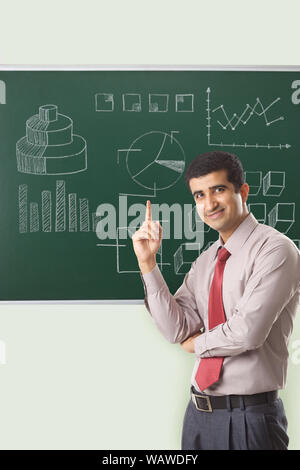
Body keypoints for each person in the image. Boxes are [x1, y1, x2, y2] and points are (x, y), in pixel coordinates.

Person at [132, 151, 300, 450]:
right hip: (198, 415)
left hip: (250, 418)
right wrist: (147, 263)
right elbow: (175, 328)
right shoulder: (206, 262)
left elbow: (247, 331)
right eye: (199, 195)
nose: (209, 204)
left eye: (218, 190)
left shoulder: (276, 251)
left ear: (242, 191)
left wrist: (196, 344)